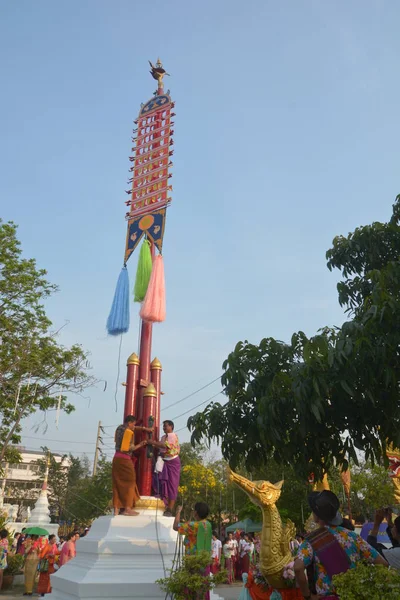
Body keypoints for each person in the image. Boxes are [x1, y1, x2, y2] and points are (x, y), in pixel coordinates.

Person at [294, 490, 387, 599]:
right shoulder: (352, 536)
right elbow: (383, 564)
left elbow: (298, 567)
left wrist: (308, 596)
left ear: (317, 516)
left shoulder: (311, 541)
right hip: (354, 596)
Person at [112, 415, 151, 516]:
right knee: (130, 482)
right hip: (125, 459)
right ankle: (127, 509)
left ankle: (116, 509)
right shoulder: (129, 433)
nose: (134, 426)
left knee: (117, 483)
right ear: (129, 423)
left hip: (116, 458)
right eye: (133, 424)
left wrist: (143, 428)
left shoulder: (119, 428)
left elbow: (129, 429)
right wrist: (141, 444)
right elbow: (130, 448)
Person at [173, 502, 213, 600]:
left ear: (196, 512)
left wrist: (178, 512)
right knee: (202, 588)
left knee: (194, 590)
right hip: (204, 560)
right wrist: (192, 517)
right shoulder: (207, 524)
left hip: (194, 562)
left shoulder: (194, 525)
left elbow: (176, 526)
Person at [151, 420, 181, 517]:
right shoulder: (164, 437)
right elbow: (159, 446)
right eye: (163, 426)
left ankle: (170, 509)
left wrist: (152, 442)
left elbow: (165, 445)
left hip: (172, 462)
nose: (164, 428)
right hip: (164, 461)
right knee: (161, 481)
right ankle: (163, 502)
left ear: (171, 427)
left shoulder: (172, 435)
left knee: (172, 485)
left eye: (166, 426)